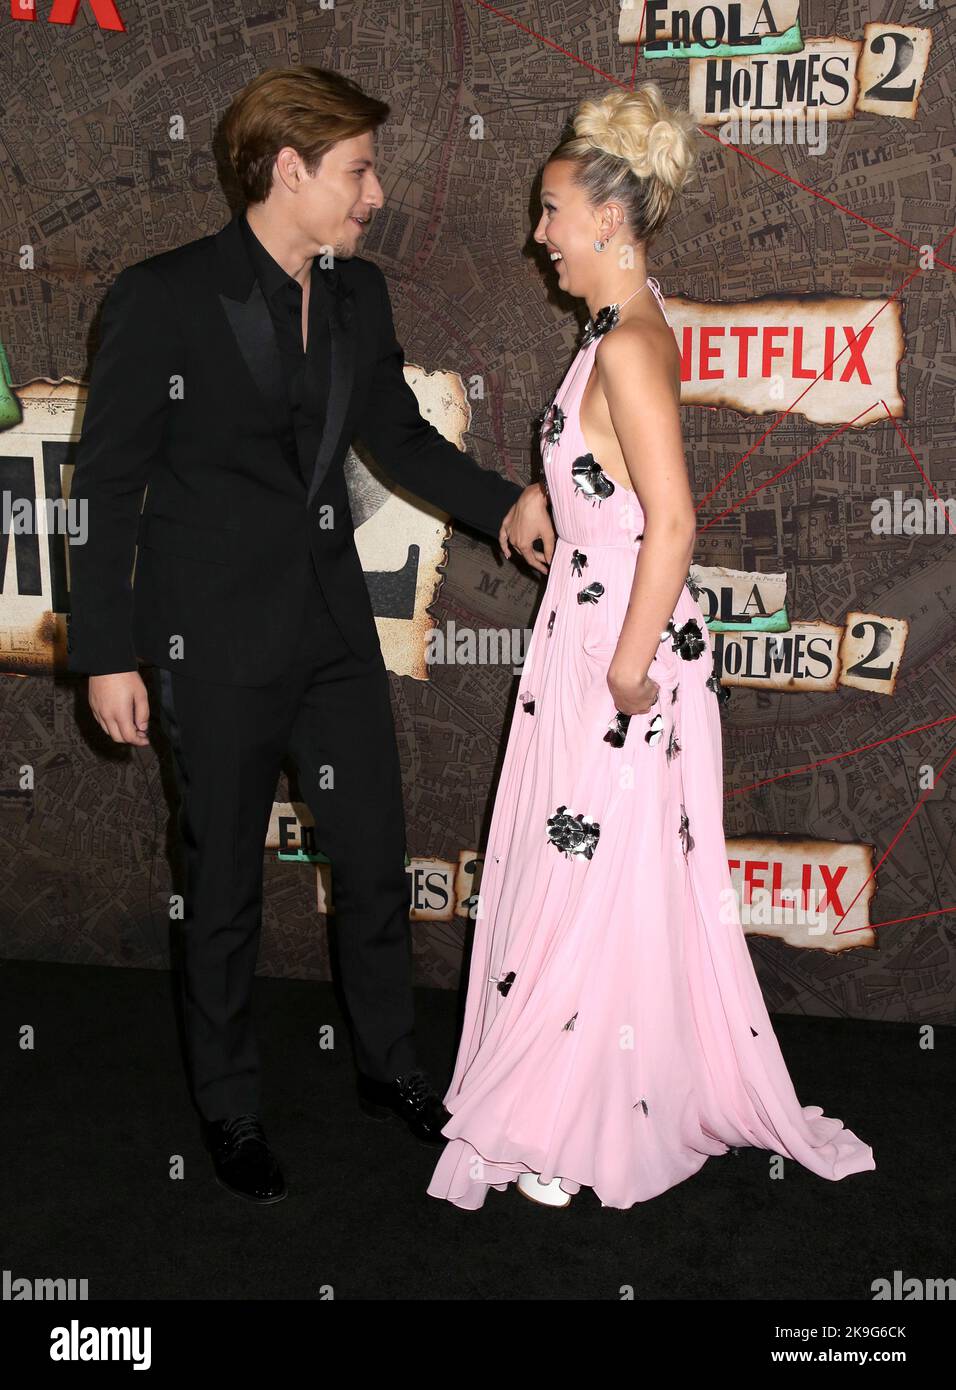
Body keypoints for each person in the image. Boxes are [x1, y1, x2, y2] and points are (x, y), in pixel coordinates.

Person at [66, 65, 555, 1205]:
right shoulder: (162, 297)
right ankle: (231, 1106)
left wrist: (504, 505)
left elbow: (395, 436)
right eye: (357, 170)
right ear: (288, 171)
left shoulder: (355, 296)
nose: (373, 195)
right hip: (209, 648)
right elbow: (106, 490)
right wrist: (105, 652)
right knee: (224, 882)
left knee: (374, 864)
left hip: (334, 632)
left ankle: (389, 1069)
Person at [427, 83, 875, 1211]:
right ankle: (574, 1101)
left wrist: (627, 668)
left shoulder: (629, 342)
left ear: (609, 221)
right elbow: (618, 483)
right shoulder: (618, 332)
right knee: (596, 879)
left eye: (550, 212)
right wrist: (545, 492)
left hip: (617, 646)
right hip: (586, 631)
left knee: (594, 877)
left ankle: (572, 1113)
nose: (540, 235)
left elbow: (672, 520)